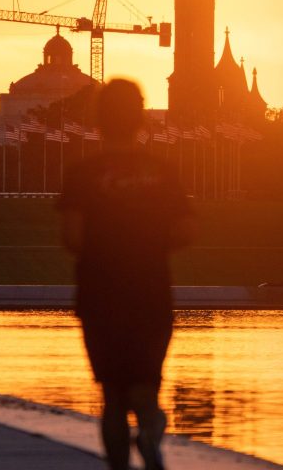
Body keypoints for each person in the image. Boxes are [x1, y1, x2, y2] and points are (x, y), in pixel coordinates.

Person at [58, 78, 193, 470]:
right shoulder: (162, 171)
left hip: (100, 295)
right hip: (151, 293)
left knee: (113, 396)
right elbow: (185, 231)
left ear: (98, 119)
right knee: (146, 384)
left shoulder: (83, 173)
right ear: (140, 117)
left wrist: (108, 248)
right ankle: (151, 427)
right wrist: (147, 248)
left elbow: (72, 236)